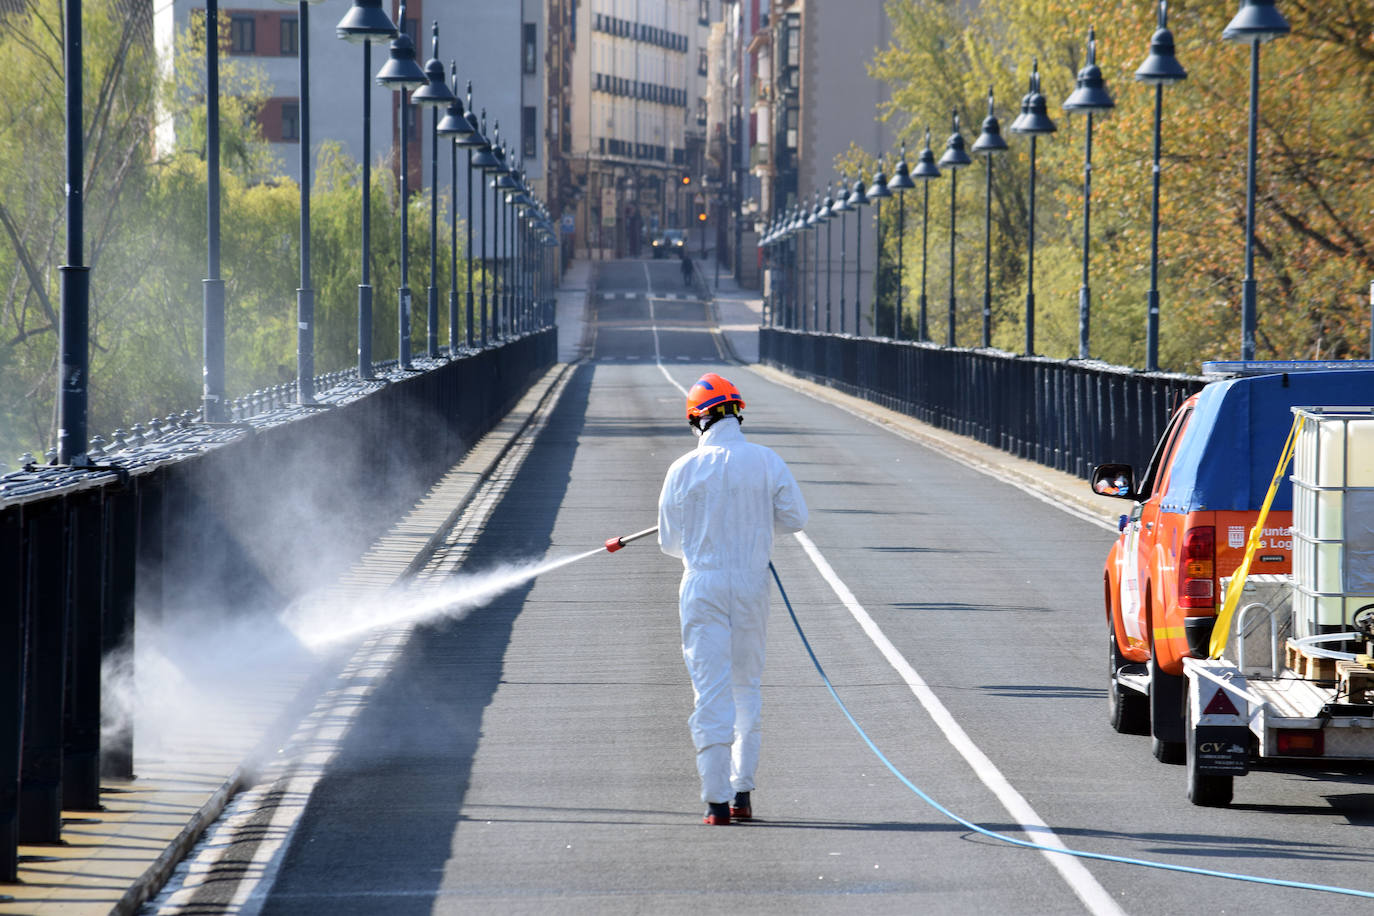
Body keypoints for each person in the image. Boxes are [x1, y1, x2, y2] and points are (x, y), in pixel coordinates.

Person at [658, 373, 808, 825]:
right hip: (751, 584)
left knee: (711, 691)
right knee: (747, 687)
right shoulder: (766, 461)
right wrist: (756, 529)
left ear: (697, 420)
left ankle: (716, 802)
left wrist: (710, 545)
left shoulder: (683, 469)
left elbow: (669, 541)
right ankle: (743, 793)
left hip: (702, 584)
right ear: (737, 413)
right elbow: (795, 518)